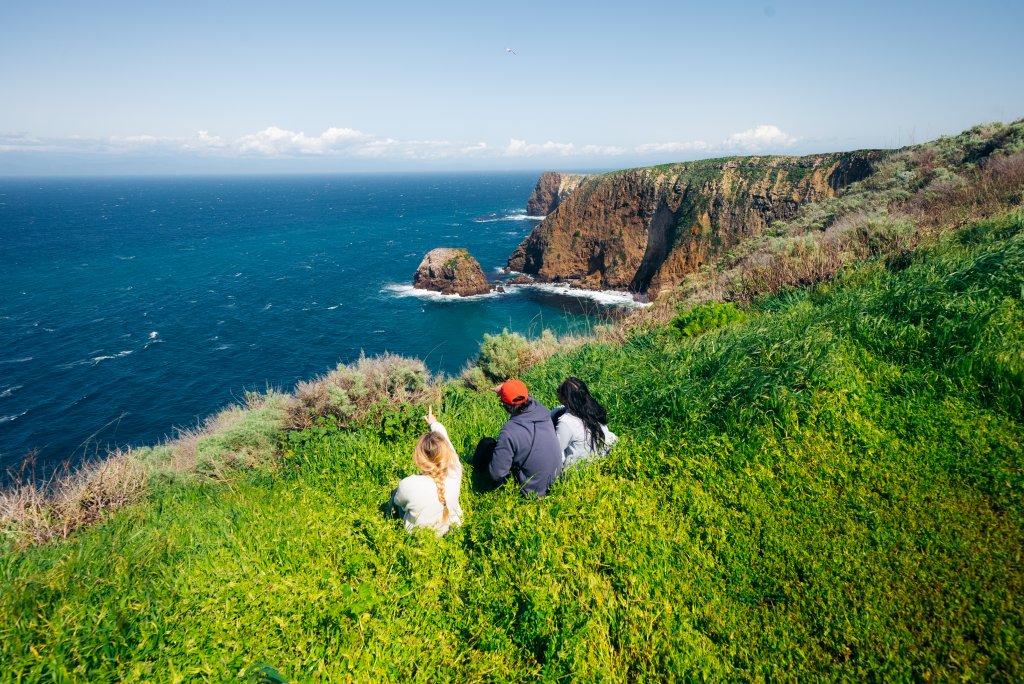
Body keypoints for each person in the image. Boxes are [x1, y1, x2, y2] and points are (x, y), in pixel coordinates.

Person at [475, 379, 562, 497]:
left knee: (486, 444)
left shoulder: (509, 431)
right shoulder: (543, 411)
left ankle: (477, 483)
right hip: (555, 482)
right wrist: (505, 390)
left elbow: (497, 474)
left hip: (531, 491)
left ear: (506, 406)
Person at [390, 406, 463, 536]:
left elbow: (399, 503)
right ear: (445, 453)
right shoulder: (455, 472)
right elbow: (448, 444)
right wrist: (434, 424)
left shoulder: (409, 484)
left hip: (419, 537)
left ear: (419, 458)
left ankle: (388, 524)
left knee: (395, 494)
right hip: (449, 530)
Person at [550, 377, 617, 470]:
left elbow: (554, 451)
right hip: (597, 462)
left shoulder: (566, 422)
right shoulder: (593, 410)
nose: (557, 392)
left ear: (566, 399)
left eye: (559, 391)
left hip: (575, 471)